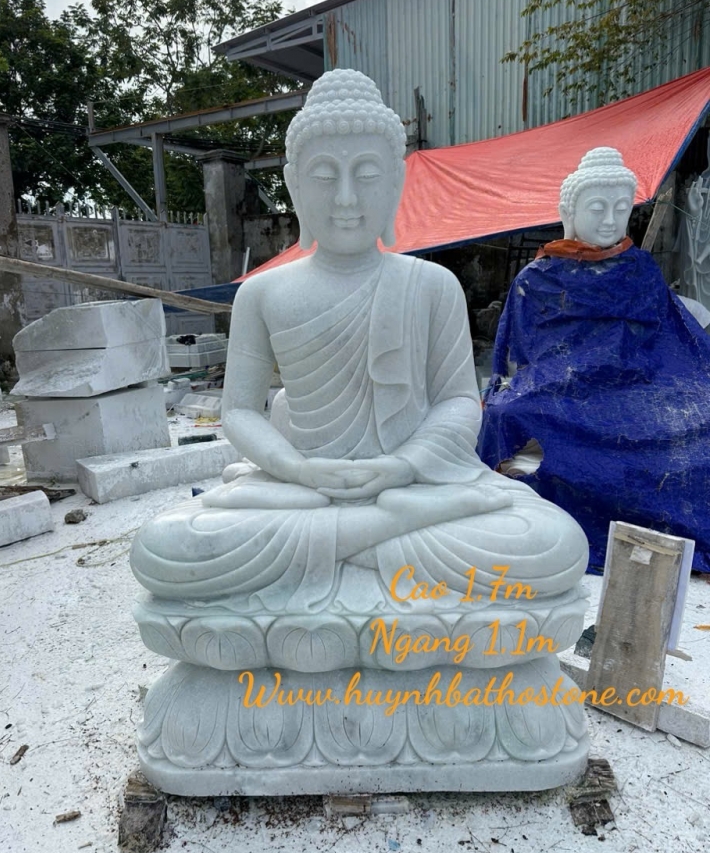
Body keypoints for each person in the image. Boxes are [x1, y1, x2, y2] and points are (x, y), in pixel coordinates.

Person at [130, 70, 588, 610]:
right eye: (325, 176)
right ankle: (375, 542)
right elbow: (241, 413)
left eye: (366, 174)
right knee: (162, 547)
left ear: (395, 183)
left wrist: (403, 465)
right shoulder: (262, 293)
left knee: (555, 543)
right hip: (305, 491)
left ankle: (341, 549)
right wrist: (297, 469)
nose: (346, 198)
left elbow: (460, 402)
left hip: (411, 486)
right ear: (294, 185)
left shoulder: (432, 285)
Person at [480, 147, 710, 571]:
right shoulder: (538, 278)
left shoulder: (640, 270)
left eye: (621, 209)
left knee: (699, 416)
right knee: (508, 413)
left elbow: (668, 341)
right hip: (563, 390)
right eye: (597, 208)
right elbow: (519, 357)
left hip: (637, 383)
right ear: (569, 213)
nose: (610, 220)